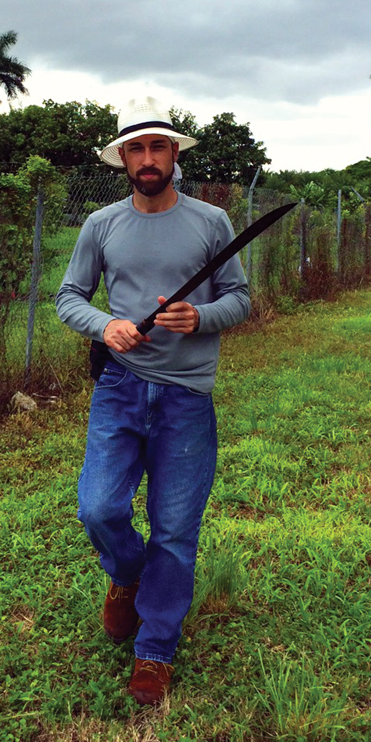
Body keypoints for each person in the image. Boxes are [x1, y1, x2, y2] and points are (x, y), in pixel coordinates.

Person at [56, 97, 251, 705]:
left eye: (157, 147)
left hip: (186, 397)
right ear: (121, 159)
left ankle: (156, 647)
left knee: (175, 530)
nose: (147, 158)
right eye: (135, 149)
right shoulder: (102, 225)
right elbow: (68, 297)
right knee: (97, 509)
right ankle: (126, 577)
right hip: (119, 388)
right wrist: (104, 325)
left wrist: (202, 314)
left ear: (173, 154)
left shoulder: (212, 223)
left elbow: (242, 299)